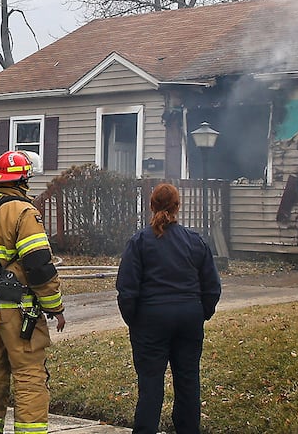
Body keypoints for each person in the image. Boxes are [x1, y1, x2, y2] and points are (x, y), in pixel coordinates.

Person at [0, 150, 66, 434]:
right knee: (29, 374)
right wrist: (55, 307)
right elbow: (39, 265)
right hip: (16, 311)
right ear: (22, 180)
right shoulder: (23, 211)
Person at [116, 182, 222, 434]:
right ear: (178, 207)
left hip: (150, 320)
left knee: (150, 384)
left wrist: (135, 320)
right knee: (188, 382)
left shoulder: (139, 242)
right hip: (189, 318)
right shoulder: (195, 241)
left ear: (151, 206)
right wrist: (200, 312)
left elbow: (127, 288)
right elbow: (212, 287)